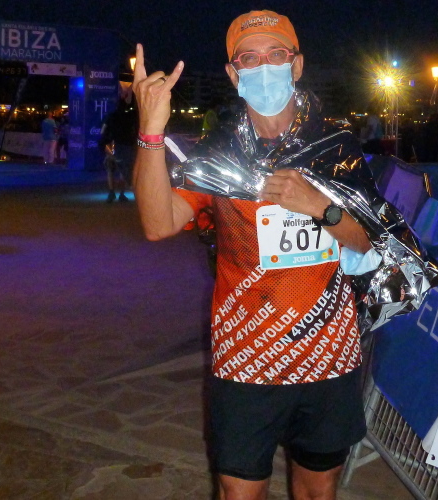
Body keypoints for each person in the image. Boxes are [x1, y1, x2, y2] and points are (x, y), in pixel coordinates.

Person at [132, 10, 371, 499]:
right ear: (233, 73)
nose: (264, 67)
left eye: (276, 54)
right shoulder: (216, 154)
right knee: (238, 491)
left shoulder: (337, 147)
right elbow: (158, 223)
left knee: (318, 489)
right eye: (249, 59)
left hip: (328, 353)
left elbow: (370, 240)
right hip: (246, 356)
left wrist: (321, 208)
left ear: (296, 65)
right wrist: (151, 130)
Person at [101, 97, 137, 202]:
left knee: (110, 169)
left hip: (112, 145)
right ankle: (122, 194)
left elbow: (103, 131)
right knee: (123, 170)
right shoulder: (129, 117)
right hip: (126, 145)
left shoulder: (111, 116)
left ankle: (111, 192)